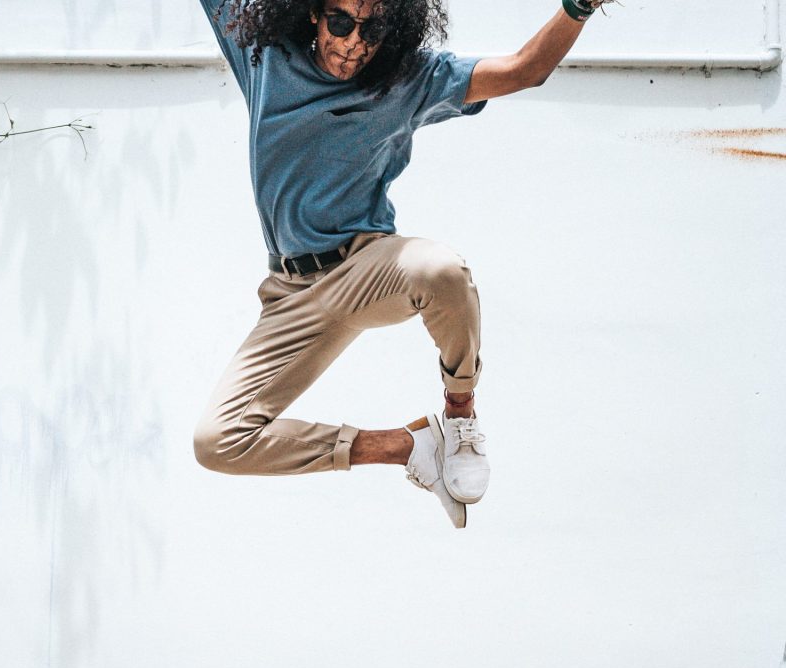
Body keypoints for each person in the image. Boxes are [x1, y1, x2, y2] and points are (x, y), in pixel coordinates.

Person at [193, 0, 612, 528]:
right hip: (290, 294)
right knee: (218, 442)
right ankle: (409, 447)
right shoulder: (263, 56)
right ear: (313, 16)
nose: (353, 43)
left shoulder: (410, 78)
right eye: (341, 23)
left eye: (373, 29)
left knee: (441, 270)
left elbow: (525, 70)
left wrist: (578, 7)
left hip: (368, 269)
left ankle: (460, 414)